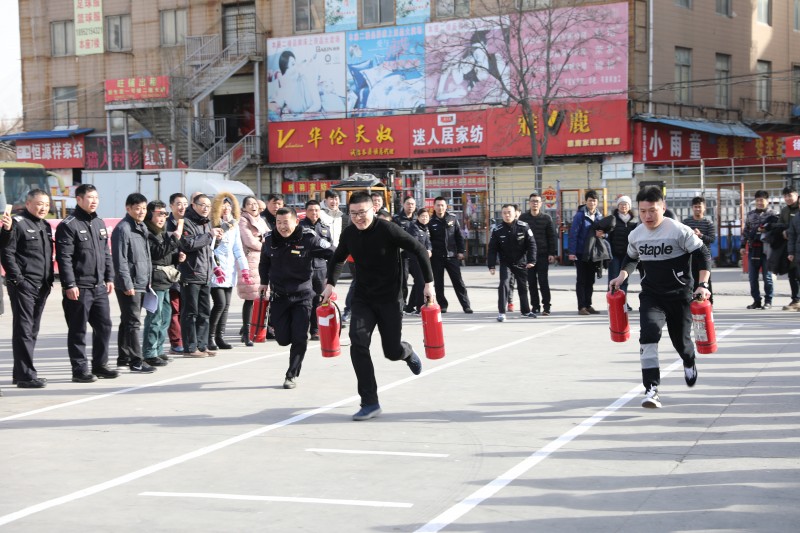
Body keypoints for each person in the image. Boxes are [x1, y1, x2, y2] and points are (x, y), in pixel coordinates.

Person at [322, 192, 434, 421]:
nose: (358, 218)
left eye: (362, 212)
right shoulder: (350, 233)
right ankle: (369, 402)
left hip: (390, 299)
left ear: (373, 209)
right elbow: (337, 258)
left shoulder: (388, 229)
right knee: (358, 343)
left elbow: (420, 250)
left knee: (391, 351)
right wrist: (329, 284)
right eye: (353, 213)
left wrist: (429, 285)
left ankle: (406, 351)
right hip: (363, 298)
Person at [609, 186, 711, 409]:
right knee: (649, 336)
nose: (647, 216)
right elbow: (631, 258)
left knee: (681, 343)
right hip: (652, 296)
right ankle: (651, 389)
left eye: (652, 210)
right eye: (643, 211)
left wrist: (703, 284)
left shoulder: (679, 231)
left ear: (663, 207)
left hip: (680, 295)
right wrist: (622, 275)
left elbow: (703, 254)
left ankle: (689, 360)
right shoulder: (636, 234)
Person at [260, 207, 334, 388]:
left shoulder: (308, 238)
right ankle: (290, 343)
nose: (282, 227)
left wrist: (330, 281)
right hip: (279, 296)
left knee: (300, 337)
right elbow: (264, 261)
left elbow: (334, 253)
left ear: (296, 222)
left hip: (303, 297)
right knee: (282, 339)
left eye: (286, 222)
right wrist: (263, 282)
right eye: (278, 223)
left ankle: (291, 375)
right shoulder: (269, 239)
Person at [55, 184, 119, 381]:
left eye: (96, 197)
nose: (94, 201)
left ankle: (100, 365)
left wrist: (109, 277)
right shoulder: (69, 225)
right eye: (90, 197)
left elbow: (106, 253)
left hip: (99, 286)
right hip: (79, 287)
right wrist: (69, 284)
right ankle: (80, 370)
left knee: (104, 326)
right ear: (79, 199)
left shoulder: (99, 223)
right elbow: (64, 258)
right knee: (78, 329)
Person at [0, 189, 56, 388]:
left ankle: (20, 373)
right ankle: (26, 376)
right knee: (24, 330)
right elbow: (6, 252)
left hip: (42, 286)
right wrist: (19, 281)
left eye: (47, 204)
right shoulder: (17, 223)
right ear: (28, 203)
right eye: (40, 204)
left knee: (32, 330)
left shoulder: (45, 225)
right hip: (24, 286)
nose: (44, 208)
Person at [111, 193, 158, 374]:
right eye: (137, 208)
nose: (141, 212)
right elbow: (120, 259)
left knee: (127, 321)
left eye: (144, 208)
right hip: (130, 283)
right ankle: (136, 361)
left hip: (141, 281)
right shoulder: (123, 229)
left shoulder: (141, 226)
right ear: (128, 208)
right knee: (133, 322)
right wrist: (127, 283)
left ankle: (123, 357)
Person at [179, 194, 224, 357]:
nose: (206, 208)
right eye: (202, 205)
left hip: (205, 273)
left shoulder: (207, 223)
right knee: (190, 313)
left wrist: (217, 239)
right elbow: (188, 244)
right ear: (194, 205)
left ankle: (202, 345)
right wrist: (209, 235)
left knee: (204, 312)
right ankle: (190, 347)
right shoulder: (186, 222)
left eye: (208, 206)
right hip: (191, 273)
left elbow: (209, 247)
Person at [142, 201, 182, 366]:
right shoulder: (147, 232)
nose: (162, 217)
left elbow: (166, 255)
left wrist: (177, 257)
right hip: (155, 280)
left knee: (165, 317)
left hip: (166, 280)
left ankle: (158, 349)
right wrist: (175, 238)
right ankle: (149, 353)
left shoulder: (162, 233)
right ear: (150, 214)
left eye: (164, 214)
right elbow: (157, 253)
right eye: (159, 214)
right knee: (154, 318)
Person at [208, 193, 249, 351]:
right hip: (216, 270)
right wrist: (215, 267)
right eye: (223, 206)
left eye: (228, 205)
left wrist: (244, 269)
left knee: (226, 305)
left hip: (229, 270)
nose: (226, 208)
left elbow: (237, 248)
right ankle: (210, 337)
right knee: (219, 303)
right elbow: (210, 249)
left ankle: (220, 337)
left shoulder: (234, 225)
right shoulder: (213, 224)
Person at [488, 204, 536, 322]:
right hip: (506, 262)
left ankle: (525, 311)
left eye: (509, 212)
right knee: (504, 284)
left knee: (523, 286)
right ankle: (502, 312)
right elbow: (492, 249)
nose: (507, 215)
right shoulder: (497, 230)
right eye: (504, 213)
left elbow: (532, 244)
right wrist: (491, 265)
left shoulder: (524, 227)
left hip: (521, 261)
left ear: (515, 213)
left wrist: (531, 260)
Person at [428, 196, 473, 314]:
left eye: (442, 205)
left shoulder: (452, 218)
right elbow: (428, 240)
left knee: (458, 282)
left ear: (446, 206)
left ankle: (466, 305)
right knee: (439, 283)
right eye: (438, 205)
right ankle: (443, 305)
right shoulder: (430, 221)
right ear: (434, 207)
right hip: (437, 257)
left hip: (451, 255)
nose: (440, 207)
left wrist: (461, 251)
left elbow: (459, 236)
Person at [518, 192, 557, 316]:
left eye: (537, 201)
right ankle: (535, 306)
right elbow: (519, 236)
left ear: (541, 204)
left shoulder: (546, 218)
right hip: (528, 256)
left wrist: (552, 253)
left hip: (542, 254)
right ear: (529, 203)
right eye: (533, 201)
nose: (535, 203)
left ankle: (547, 306)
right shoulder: (523, 218)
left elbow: (552, 237)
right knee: (531, 282)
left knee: (543, 281)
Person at [238, 195, 269, 346]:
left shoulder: (261, 220)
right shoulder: (243, 220)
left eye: (255, 203)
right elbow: (249, 241)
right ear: (244, 208)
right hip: (250, 261)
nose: (253, 206)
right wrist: (264, 243)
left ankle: (257, 330)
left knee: (262, 297)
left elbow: (270, 236)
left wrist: (264, 241)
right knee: (250, 298)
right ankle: (246, 332)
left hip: (263, 260)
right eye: (249, 204)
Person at [568, 190, 604, 315]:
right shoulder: (580, 215)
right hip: (581, 252)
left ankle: (588, 305)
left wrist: (603, 234)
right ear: (585, 201)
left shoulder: (599, 216)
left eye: (594, 200)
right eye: (590, 200)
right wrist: (572, 252)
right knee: (581, 280)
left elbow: (606, 233)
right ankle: (581, 307)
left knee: (590, 280)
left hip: (593, 253)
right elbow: (573, 234)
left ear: (597, 202)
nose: (592, 203)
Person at [299, 199, 332, 340]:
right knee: (304, 301)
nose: (314, 213)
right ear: (306, 211)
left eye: (317, 210)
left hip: (320, 269)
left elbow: (330, 251)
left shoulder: (325, 228)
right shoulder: (299, 227)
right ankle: (301, 330)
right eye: (311, 210)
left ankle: (315, 330)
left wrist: (329, 274)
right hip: (304, 268)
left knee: (318, 300)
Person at [599, 195, 638, 309]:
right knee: (613, 278)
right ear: (618, 206)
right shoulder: (612, 219)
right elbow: (606, 234)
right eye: (621, 204)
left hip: (628, 255)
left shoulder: (634, 221)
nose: (623, 206)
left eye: (626, 204)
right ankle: (612, 303)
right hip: (614, 255)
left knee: (624, 280)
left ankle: (623, 302)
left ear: (629, 206)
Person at [740, 190, 776, 310]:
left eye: (762, 200)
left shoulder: (773, 214)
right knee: (752, 277)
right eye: (757, 200)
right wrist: (742, 246)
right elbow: (746, 231)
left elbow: (777, 230)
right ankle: (756, 301)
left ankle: (768, 301)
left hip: (767, 250)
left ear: (767, 201)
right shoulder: (750, 214)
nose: (760, 202)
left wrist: (766, 230)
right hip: (753, 249)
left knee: (767, 277)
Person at [682, 196, 717, 304]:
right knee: (692, 279)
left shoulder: (708, 222)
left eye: (699, 207)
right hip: (690, 256)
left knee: (706, 281)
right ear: (692, 208)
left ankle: (708, 303)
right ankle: (694, 302)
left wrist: (700, 235)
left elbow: (712, 239)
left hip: (705, 257)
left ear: (704, 208)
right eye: (695, 207)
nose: (697, 209)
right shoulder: (686, 222)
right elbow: (681, 237)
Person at [166, 193, 188, 354]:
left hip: (189, 272)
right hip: (172, 272)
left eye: (185, 204)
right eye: (179, 204)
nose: (182, 207)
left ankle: (187, 340)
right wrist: (176, 256)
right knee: (174, 309)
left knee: (187, 309)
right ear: (171, 206)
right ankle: (176, 342)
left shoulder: (189, 223)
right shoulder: (166, 224)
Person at [405, 207, 433, 315]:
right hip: (414, 259)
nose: (425, 218)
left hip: (422, 258)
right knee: (421, 283)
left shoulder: (425, 228)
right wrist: (425, 251)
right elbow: (415, 243)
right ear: (418, 217)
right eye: (422, 216)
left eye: (426, 216)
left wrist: (429, 250)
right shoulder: (414, 227)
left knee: (418, 282)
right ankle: (420, 307)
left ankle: (409, 307)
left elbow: (428, 242)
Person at [778, 186, 800, 310]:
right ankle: (795, 299)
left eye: (790, 195)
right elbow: (780, 225)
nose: (787, 198)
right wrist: (782, 231)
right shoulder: (785, 210)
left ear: (796, 195)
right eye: (785, 196)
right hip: (790, 247)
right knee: (792, 274)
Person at [394, 196, 417, 310]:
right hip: (402, 255)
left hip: (415, 254)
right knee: (403, 280)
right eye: (408, 203)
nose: (410, 206)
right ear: (403, 204)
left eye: (412, 204)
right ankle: (402, 303)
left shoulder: (418, 218)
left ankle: (411, 304)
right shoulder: (397, 219)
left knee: (420, 280)